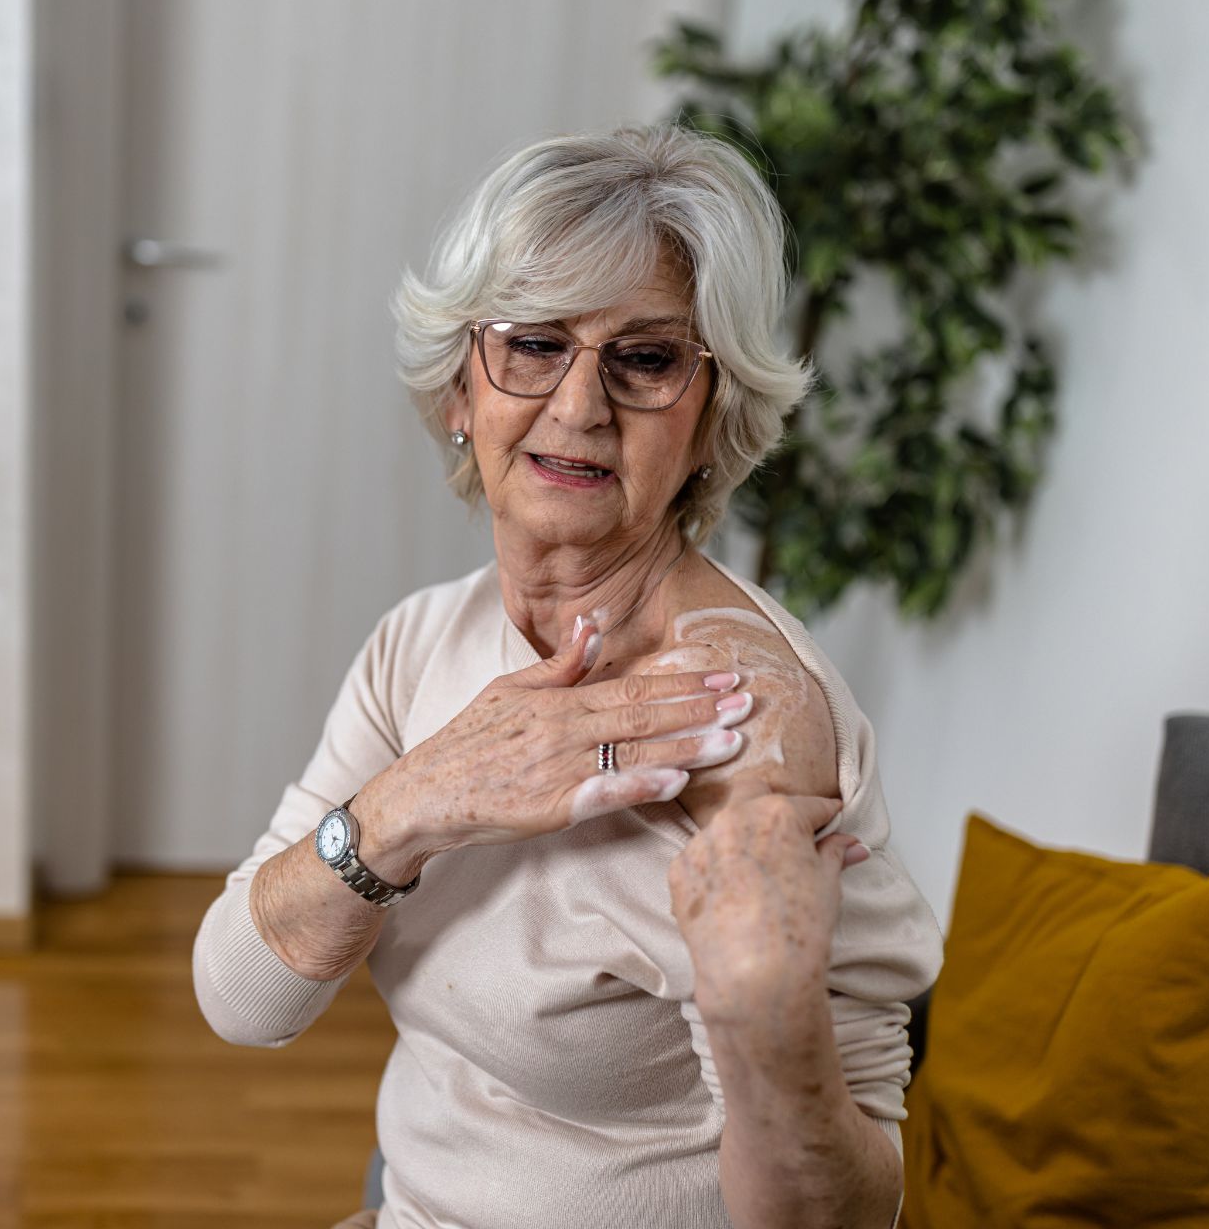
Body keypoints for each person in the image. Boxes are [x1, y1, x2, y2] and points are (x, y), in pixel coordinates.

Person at [191, 123, 944, 1228]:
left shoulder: (742, 720)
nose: (581, 405)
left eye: (644, 359)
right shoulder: (421, 645)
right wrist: (417, 799)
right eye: (534, 342)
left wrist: (764, 1020)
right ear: (461, 389)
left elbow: (837, 1216)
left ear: (710, 422)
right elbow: (240, 996)